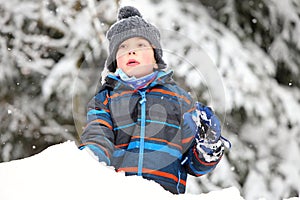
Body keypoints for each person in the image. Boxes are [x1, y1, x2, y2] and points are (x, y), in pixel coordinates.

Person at [79, 6, 230, 194]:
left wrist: (208, 146)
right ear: (114, 60)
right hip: (118, 193)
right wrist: (86, 162)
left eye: (140, 45)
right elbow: (97, 137)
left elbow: (195, 166)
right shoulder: (105, 99)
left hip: (162, 194)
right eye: (123, 47)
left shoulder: (180, 101)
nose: (131, 52)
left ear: (155, 56)